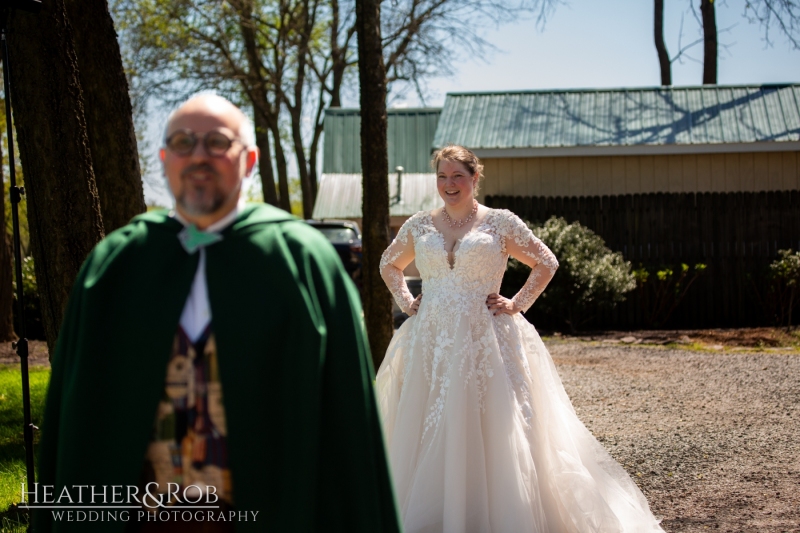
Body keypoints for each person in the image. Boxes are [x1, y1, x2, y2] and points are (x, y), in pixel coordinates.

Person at [34, 95, 401, 533]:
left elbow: (345, 418)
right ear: (165, 158)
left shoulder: (302, 261)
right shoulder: (118, 265)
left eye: (216, 142)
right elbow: (77, 416)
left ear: (248, 160)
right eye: (184, 143)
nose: (199, 156)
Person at [376, 144, 664, 533]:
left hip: (485, 339)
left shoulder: (500, 222)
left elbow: (546, 262)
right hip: (431, 340)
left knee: (494, 425)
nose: (449, 184)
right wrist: (408, 301)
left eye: (458, 176)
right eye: (442, 176)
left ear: (475, 178)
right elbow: (388, 263)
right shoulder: (418, 225)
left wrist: (517, 303)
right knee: (426, 421)